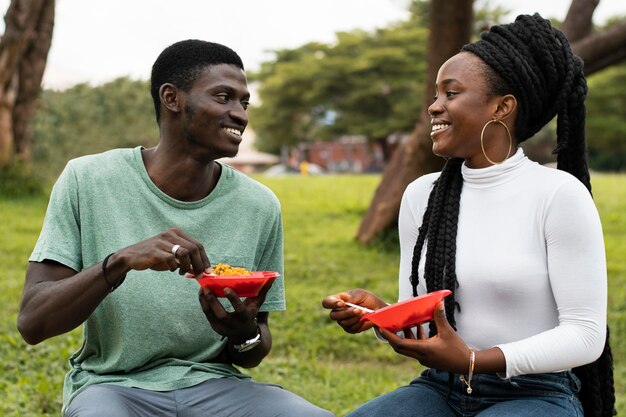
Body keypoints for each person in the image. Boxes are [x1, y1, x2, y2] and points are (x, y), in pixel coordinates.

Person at [18, 39, 334, 417]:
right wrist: (119, 262)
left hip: (217, 385)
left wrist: (243, 332)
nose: (240, 114)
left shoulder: (259, 205)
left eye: (243, 103)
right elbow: (33, 323)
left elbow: (254, 348)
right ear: (172, 98)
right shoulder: (88, 179)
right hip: (113, 389)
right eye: (224, 97)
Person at [322, 14, 614, 417]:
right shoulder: (422, 195)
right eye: (435, 94)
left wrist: (475, 360)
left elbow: (586, 335)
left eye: (450, 93)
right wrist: (381, 314)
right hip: (440, 388)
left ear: (502, 106)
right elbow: (428, 325)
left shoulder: (559, 195)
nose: (434, 106)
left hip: (535, 392)